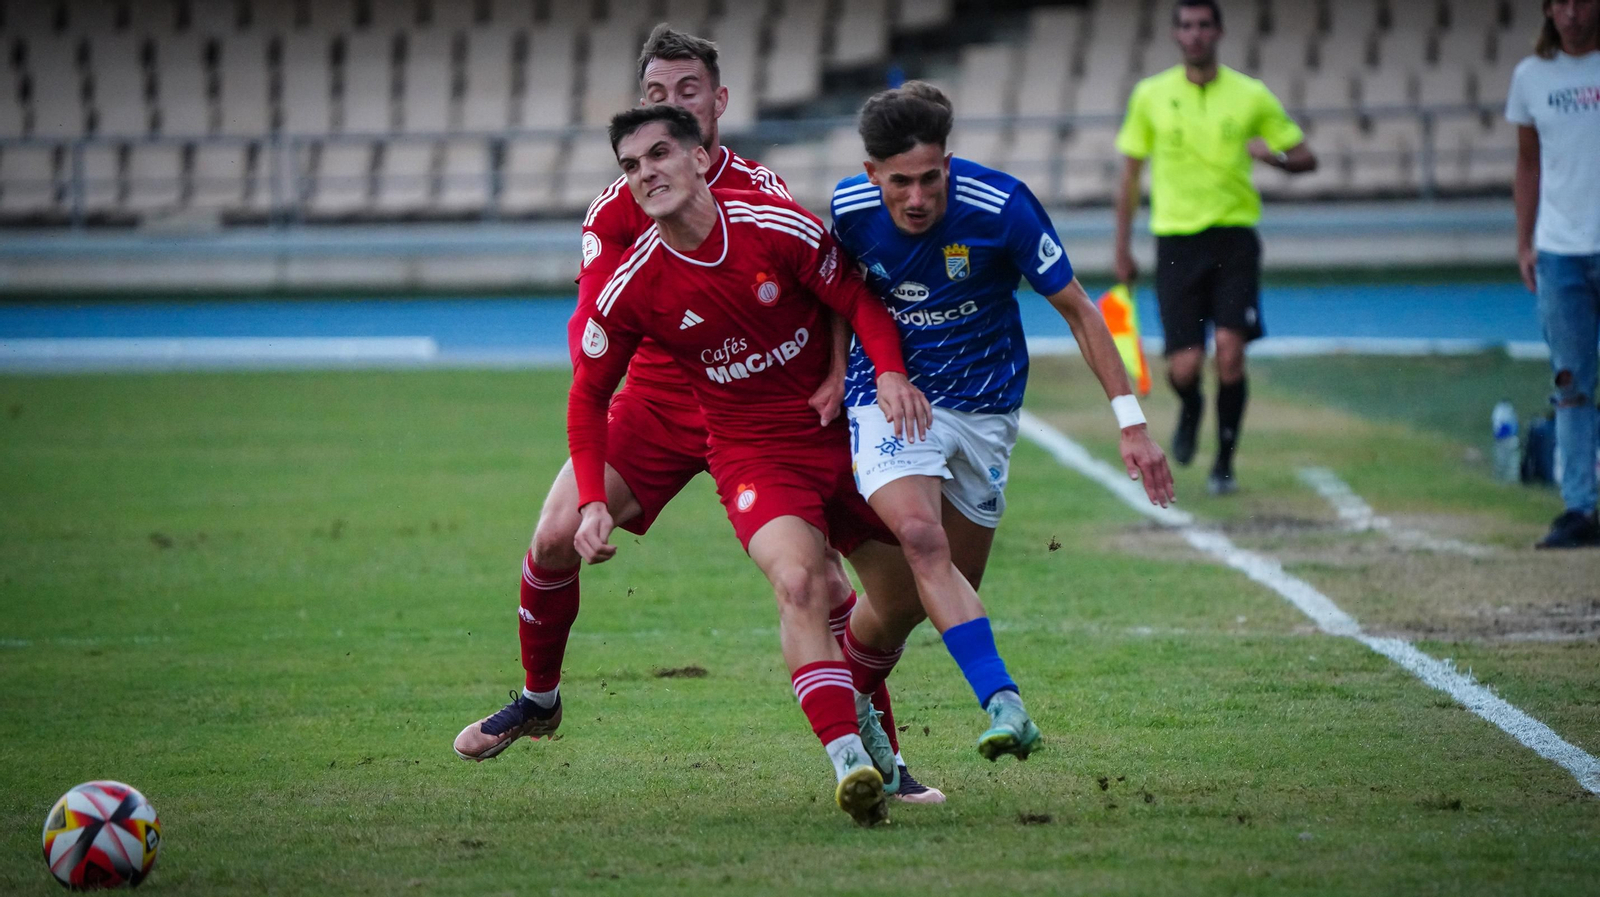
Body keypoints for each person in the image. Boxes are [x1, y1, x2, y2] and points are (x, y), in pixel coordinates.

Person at [453, 25, 944, 802]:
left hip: (764, 403)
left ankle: (883, 754)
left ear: (717, 104)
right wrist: (591, 484)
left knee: (830, 583)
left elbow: (836, 289)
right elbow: (594, 339)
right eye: (656, 95)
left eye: (688, 92)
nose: (673, 105)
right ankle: (540, 699)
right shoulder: (616, 213)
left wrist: (838, 370)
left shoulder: (767, 196)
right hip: (658, 391)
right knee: (553, 535)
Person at [569, 103, 932, 825]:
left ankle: (854, 698)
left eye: (660, 154)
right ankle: (849, 762)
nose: (646, 174)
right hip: (753, 453)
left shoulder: (774, 225)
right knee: (798, 583)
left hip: (841, 436)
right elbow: (587, 396)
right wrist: (591, 498)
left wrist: (884, 371)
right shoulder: (636, 283)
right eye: (631, 166)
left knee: (900, 602)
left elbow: (855, 296)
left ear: (701, 158)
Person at [826, 82, 1175, 762]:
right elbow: (841, 296)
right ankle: (1003, 702)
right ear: (873, 175)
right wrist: (840, 372)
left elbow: (1079, 307)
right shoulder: (847, 209)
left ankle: (851, 697)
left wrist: (1130, 422)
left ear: (948, 163)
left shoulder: (1002, 207)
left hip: (985, 409)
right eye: (901, 183)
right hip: (889, 396)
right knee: (923, 543)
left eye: (931, 178)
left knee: (916, 597)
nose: (918, 198)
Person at [1112, 0, 1317, 495]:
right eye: (1187, 25)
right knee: (1184, 367)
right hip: (1175, 241)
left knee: (1230, 353)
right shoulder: (1151, 95)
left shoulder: (1251, 95)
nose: (1196, 33)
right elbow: (1131, 176)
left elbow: (1306, 157)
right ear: (1176, 35)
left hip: (1234, 238)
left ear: (1219, 32)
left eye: (1204, 24)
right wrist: (1121, 246)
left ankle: (1224, 461)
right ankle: (1190, 405)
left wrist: (1275, 157)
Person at [1509, 0, 1600, 549]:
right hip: (1560, 249)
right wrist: (1525, 240)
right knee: (1570, 383)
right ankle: (1579, 509)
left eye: (1581, 0)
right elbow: (1528, 163)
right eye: (1558, 2)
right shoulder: (1530, 77)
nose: (1570, 13)